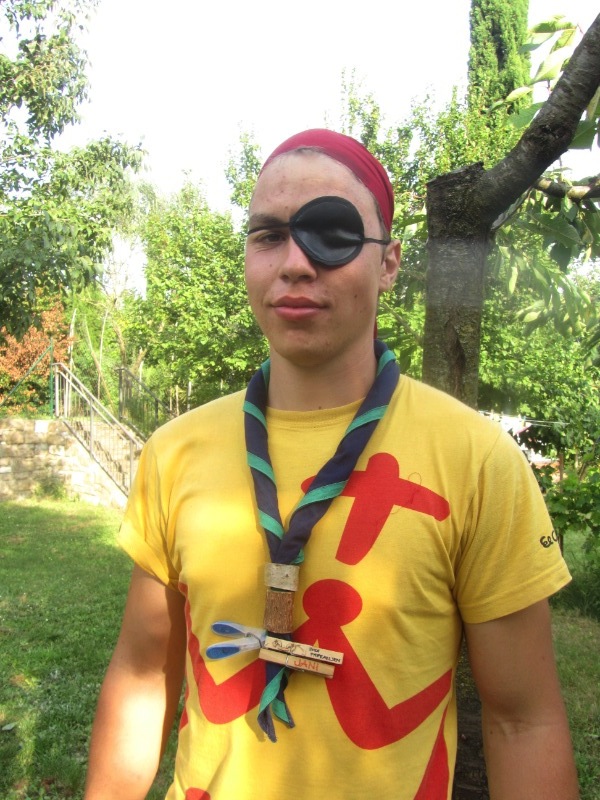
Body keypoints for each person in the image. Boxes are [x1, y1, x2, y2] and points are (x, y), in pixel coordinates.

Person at [84, 129, 579, 800]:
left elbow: (523, 720)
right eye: (268, 235)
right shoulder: (175, 453)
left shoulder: (477, 461)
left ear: (389, 265)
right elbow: (143, 678)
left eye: (332, 234)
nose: (295, 263)